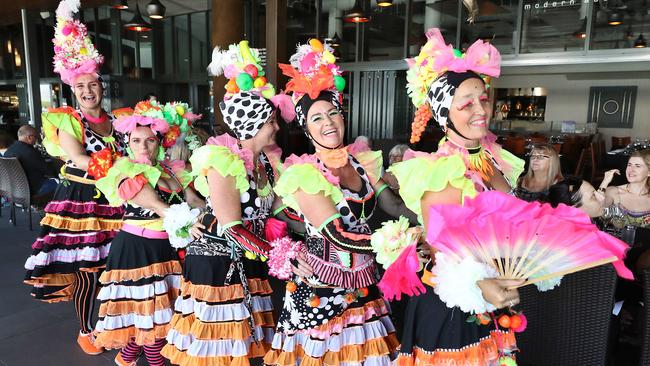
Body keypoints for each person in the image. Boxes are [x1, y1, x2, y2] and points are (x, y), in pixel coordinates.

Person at [264, 39, 417, 365]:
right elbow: (336, 235)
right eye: (317, 118)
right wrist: (401, 244)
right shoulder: (305, 173)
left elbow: (391, 206)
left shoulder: (362, 161)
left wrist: (431, 222)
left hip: (364, 286)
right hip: (321, 291)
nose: (328, 122)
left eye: (333, 113)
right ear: (306, 129)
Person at [387, 28, 525, 364]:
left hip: (496, 299)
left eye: (482, 98)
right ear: (444, 116)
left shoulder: (494, 158)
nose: (480, 109)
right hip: (452, 308)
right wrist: (482, 285)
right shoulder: (441, 170)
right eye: (466, 103)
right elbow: (443, 250)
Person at [162, 40, 295, 365]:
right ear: (251, 126)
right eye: (270, 122)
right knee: (219, 349)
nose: (277, 127)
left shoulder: (265, 161)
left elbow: (278, 210)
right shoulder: (224, 161)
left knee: (244, 347)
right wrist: (278, 256)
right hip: (217, 266)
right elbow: (232, 227)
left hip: (248, 261)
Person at [23, 1, 127, 356]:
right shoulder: (68, 119)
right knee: (88, 269)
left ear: (102, 86)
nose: (87, 90)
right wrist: (123, 174)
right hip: (82, 200)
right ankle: (86, 330)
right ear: (72, 88)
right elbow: (80, 158)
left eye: (92, 84)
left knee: (117, 267)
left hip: (118, 200)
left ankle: (116, 324)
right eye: (80, 85)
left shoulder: (119, 121)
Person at [94, 101, 205, 366]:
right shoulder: (125, 169)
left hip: (165, 250)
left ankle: (126, 358)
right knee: (153, 316)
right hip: (137, 249)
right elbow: (157, 206)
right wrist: (189, 222)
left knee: (152, 314)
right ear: (128, 142)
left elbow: (194, 201)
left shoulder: (171, 169)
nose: (143, 147)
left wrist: (216, 215)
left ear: (161, 142)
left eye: (150, 140)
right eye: (136, 140)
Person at [599, 149, 650, 229]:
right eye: (629, 165)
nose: (631, 170)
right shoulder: (613, 192)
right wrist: (604, 182)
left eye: (637, 166)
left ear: (649, 172)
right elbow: (596, 208)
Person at [4, 125, 58, 196]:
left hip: (15, 191)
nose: (36, 140)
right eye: (35, 137)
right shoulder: (30, 152)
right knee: (63, 185)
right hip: (34, 190)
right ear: (29, 137)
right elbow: (48, 170)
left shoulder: (9, 150)